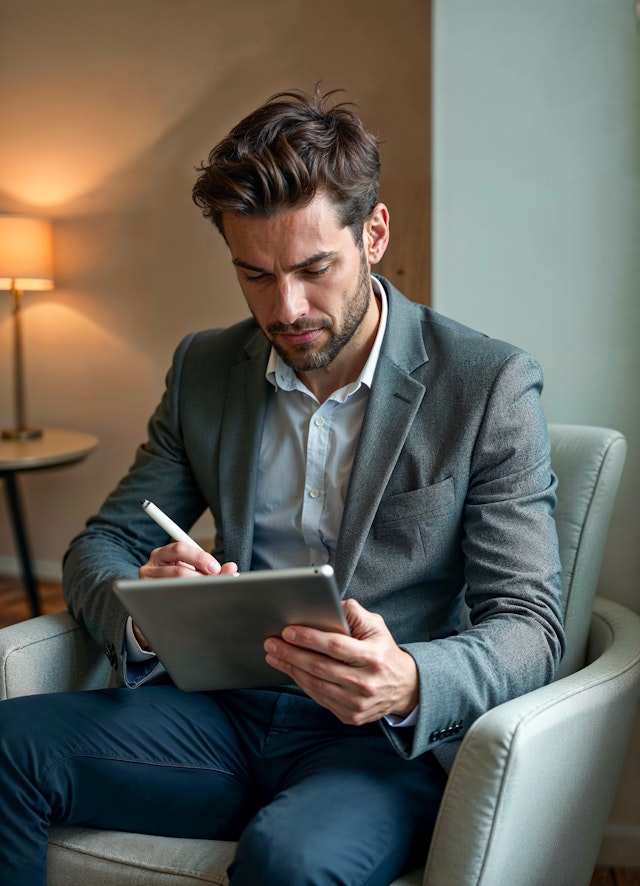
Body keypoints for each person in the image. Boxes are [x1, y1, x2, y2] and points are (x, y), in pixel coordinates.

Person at [0, 87, 565, 885]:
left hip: (374, 743)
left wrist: (408, 679)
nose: (287, 307)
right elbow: (104, 541)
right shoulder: (205, 368)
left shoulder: (486, 383)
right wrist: (145, 609)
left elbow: (531, 624)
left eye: (313, 269)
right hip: (213, 715)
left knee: (290, 860)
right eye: (255, 276)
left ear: (373, 232)